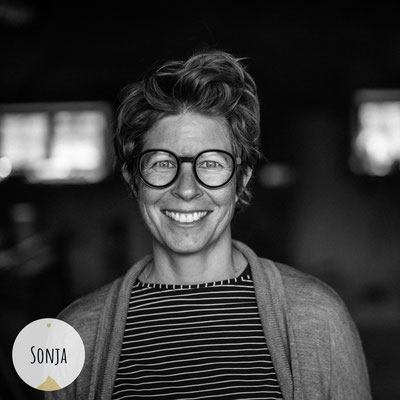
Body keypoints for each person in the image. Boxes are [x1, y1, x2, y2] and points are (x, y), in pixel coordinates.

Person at [47, 50, 371, 399]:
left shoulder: (318, 316)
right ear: (133, 179)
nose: (186, 189)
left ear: (242, 180)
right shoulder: (75, 334)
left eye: (212, 164)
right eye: (162, 163)